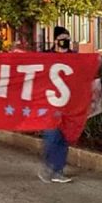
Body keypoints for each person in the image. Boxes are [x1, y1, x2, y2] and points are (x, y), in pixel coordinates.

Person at [38, 26, 73, 184]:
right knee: (52, 137)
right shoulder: (46, 56)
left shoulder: (74, 57)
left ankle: (58, 171)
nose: (65, 41)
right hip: (50, 105)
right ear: (56, 40)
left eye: (67, 38)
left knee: (64, 138)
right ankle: (48, 166)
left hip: (68, 105)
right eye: (62, 38)